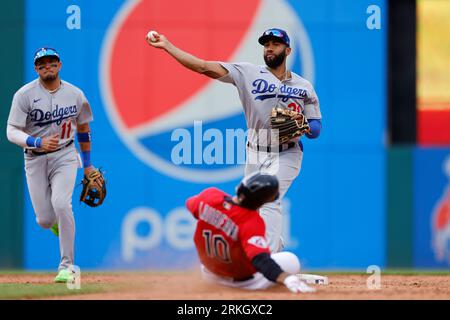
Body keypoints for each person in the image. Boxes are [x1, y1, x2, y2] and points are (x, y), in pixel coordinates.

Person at [147, 28, 322, 252]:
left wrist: (306, 126)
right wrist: (168, 46)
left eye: (275, 44)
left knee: (269, 197)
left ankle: (265, 260)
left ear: (287, 50)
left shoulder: (304, 86)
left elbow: (316, 128)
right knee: (248, 205)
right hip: (255, 152)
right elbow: (202, 66)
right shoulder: (247, 73)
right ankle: (272, 250)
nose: (269, 47)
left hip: (287, 152)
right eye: (266, 44)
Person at [6, 47, 101, 283]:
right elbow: (11, 131)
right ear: (36, 68)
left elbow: (83, 128)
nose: (47, 66)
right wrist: (36, 141)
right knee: (45, 220)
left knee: (62, 203)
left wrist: (88, 165)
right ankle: (57, 224)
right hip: (34, 158)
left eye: (51, 62)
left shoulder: (75, 94)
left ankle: (67, 266)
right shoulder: (24, 95)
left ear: (59, 65)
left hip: (65, 155)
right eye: (42, 63)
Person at [185, 172, 315, 293]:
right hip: (243, 283)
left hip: (209, 275)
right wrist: (287, 279)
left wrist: (219, 217)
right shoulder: (251, 221)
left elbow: (190, 204)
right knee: (291, 260)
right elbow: (261, 260)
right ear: (262, 202)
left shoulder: (210, 196)